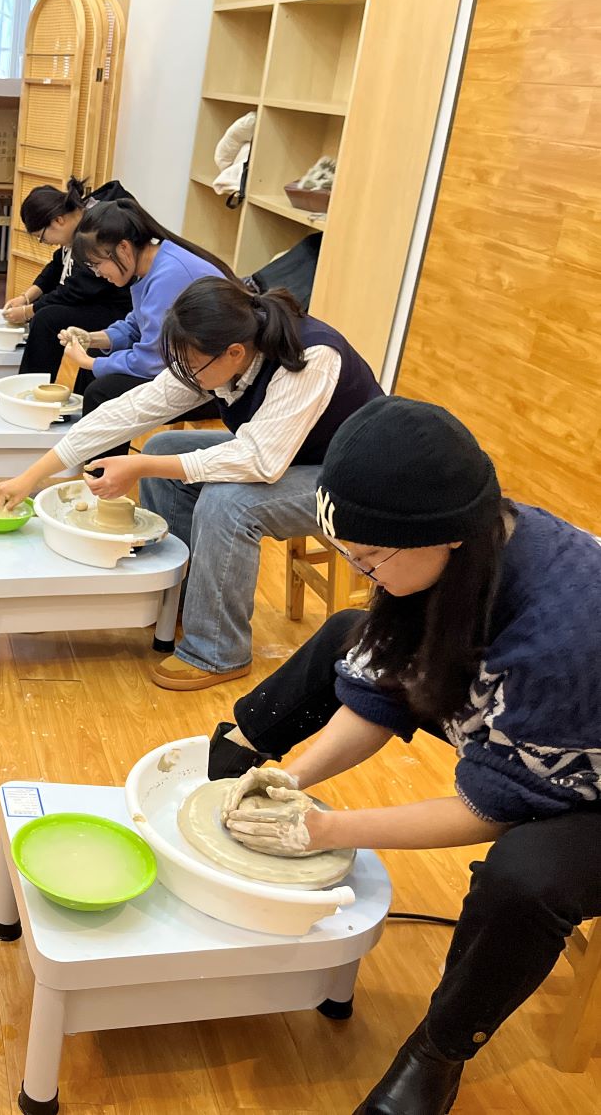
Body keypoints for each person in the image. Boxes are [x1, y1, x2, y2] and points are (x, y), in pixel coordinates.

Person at [206, 397, 601, 1115]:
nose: (363, 569)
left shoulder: (565, 632)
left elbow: (492, 807)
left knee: (524, 877)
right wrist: (290, 777)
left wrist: (324, 829)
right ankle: (235, 764)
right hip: (523, 724)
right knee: (348, 634)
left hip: (584, 779)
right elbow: (381, 689)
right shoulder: (464, 548)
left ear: (444, 536)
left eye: (370, 558)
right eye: (350, 553)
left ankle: (439, 1051)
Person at [0, 277, 383, 691]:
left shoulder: (311, 356)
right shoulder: (220, 348)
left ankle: (217, 651)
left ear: (234, 353)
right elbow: (132, 410)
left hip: (352, 478)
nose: (186, 375)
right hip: (293, 454)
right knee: (165, 446)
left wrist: (142, 466)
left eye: (192, 366)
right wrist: (32, 475)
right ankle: (182, 598)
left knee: (227, 501)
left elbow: (261, 461)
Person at [61, 198, 233, 440]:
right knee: (98, 367)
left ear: (123, 248)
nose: (98, 273)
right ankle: (79, 447)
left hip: (215, 382)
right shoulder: (154, 263)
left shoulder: (168, 275)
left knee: (103, 391)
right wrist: (91, 339)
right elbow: (137, 325)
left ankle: (93, 461)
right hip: (190, 366)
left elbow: (154, 361)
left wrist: (90, 362)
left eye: (97, 264)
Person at [7, 178, 133, 381]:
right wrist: (26, 297)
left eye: (42, 237)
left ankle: (35, 388)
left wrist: (27, 311)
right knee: (46, 313)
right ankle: (35, 386)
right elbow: (57, 264)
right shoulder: (78, 220)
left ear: (58, 220)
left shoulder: (95, 230)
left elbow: (76, 290)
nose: (46, 243)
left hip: (116, 307)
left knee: (47, 319)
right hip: (92, 300)